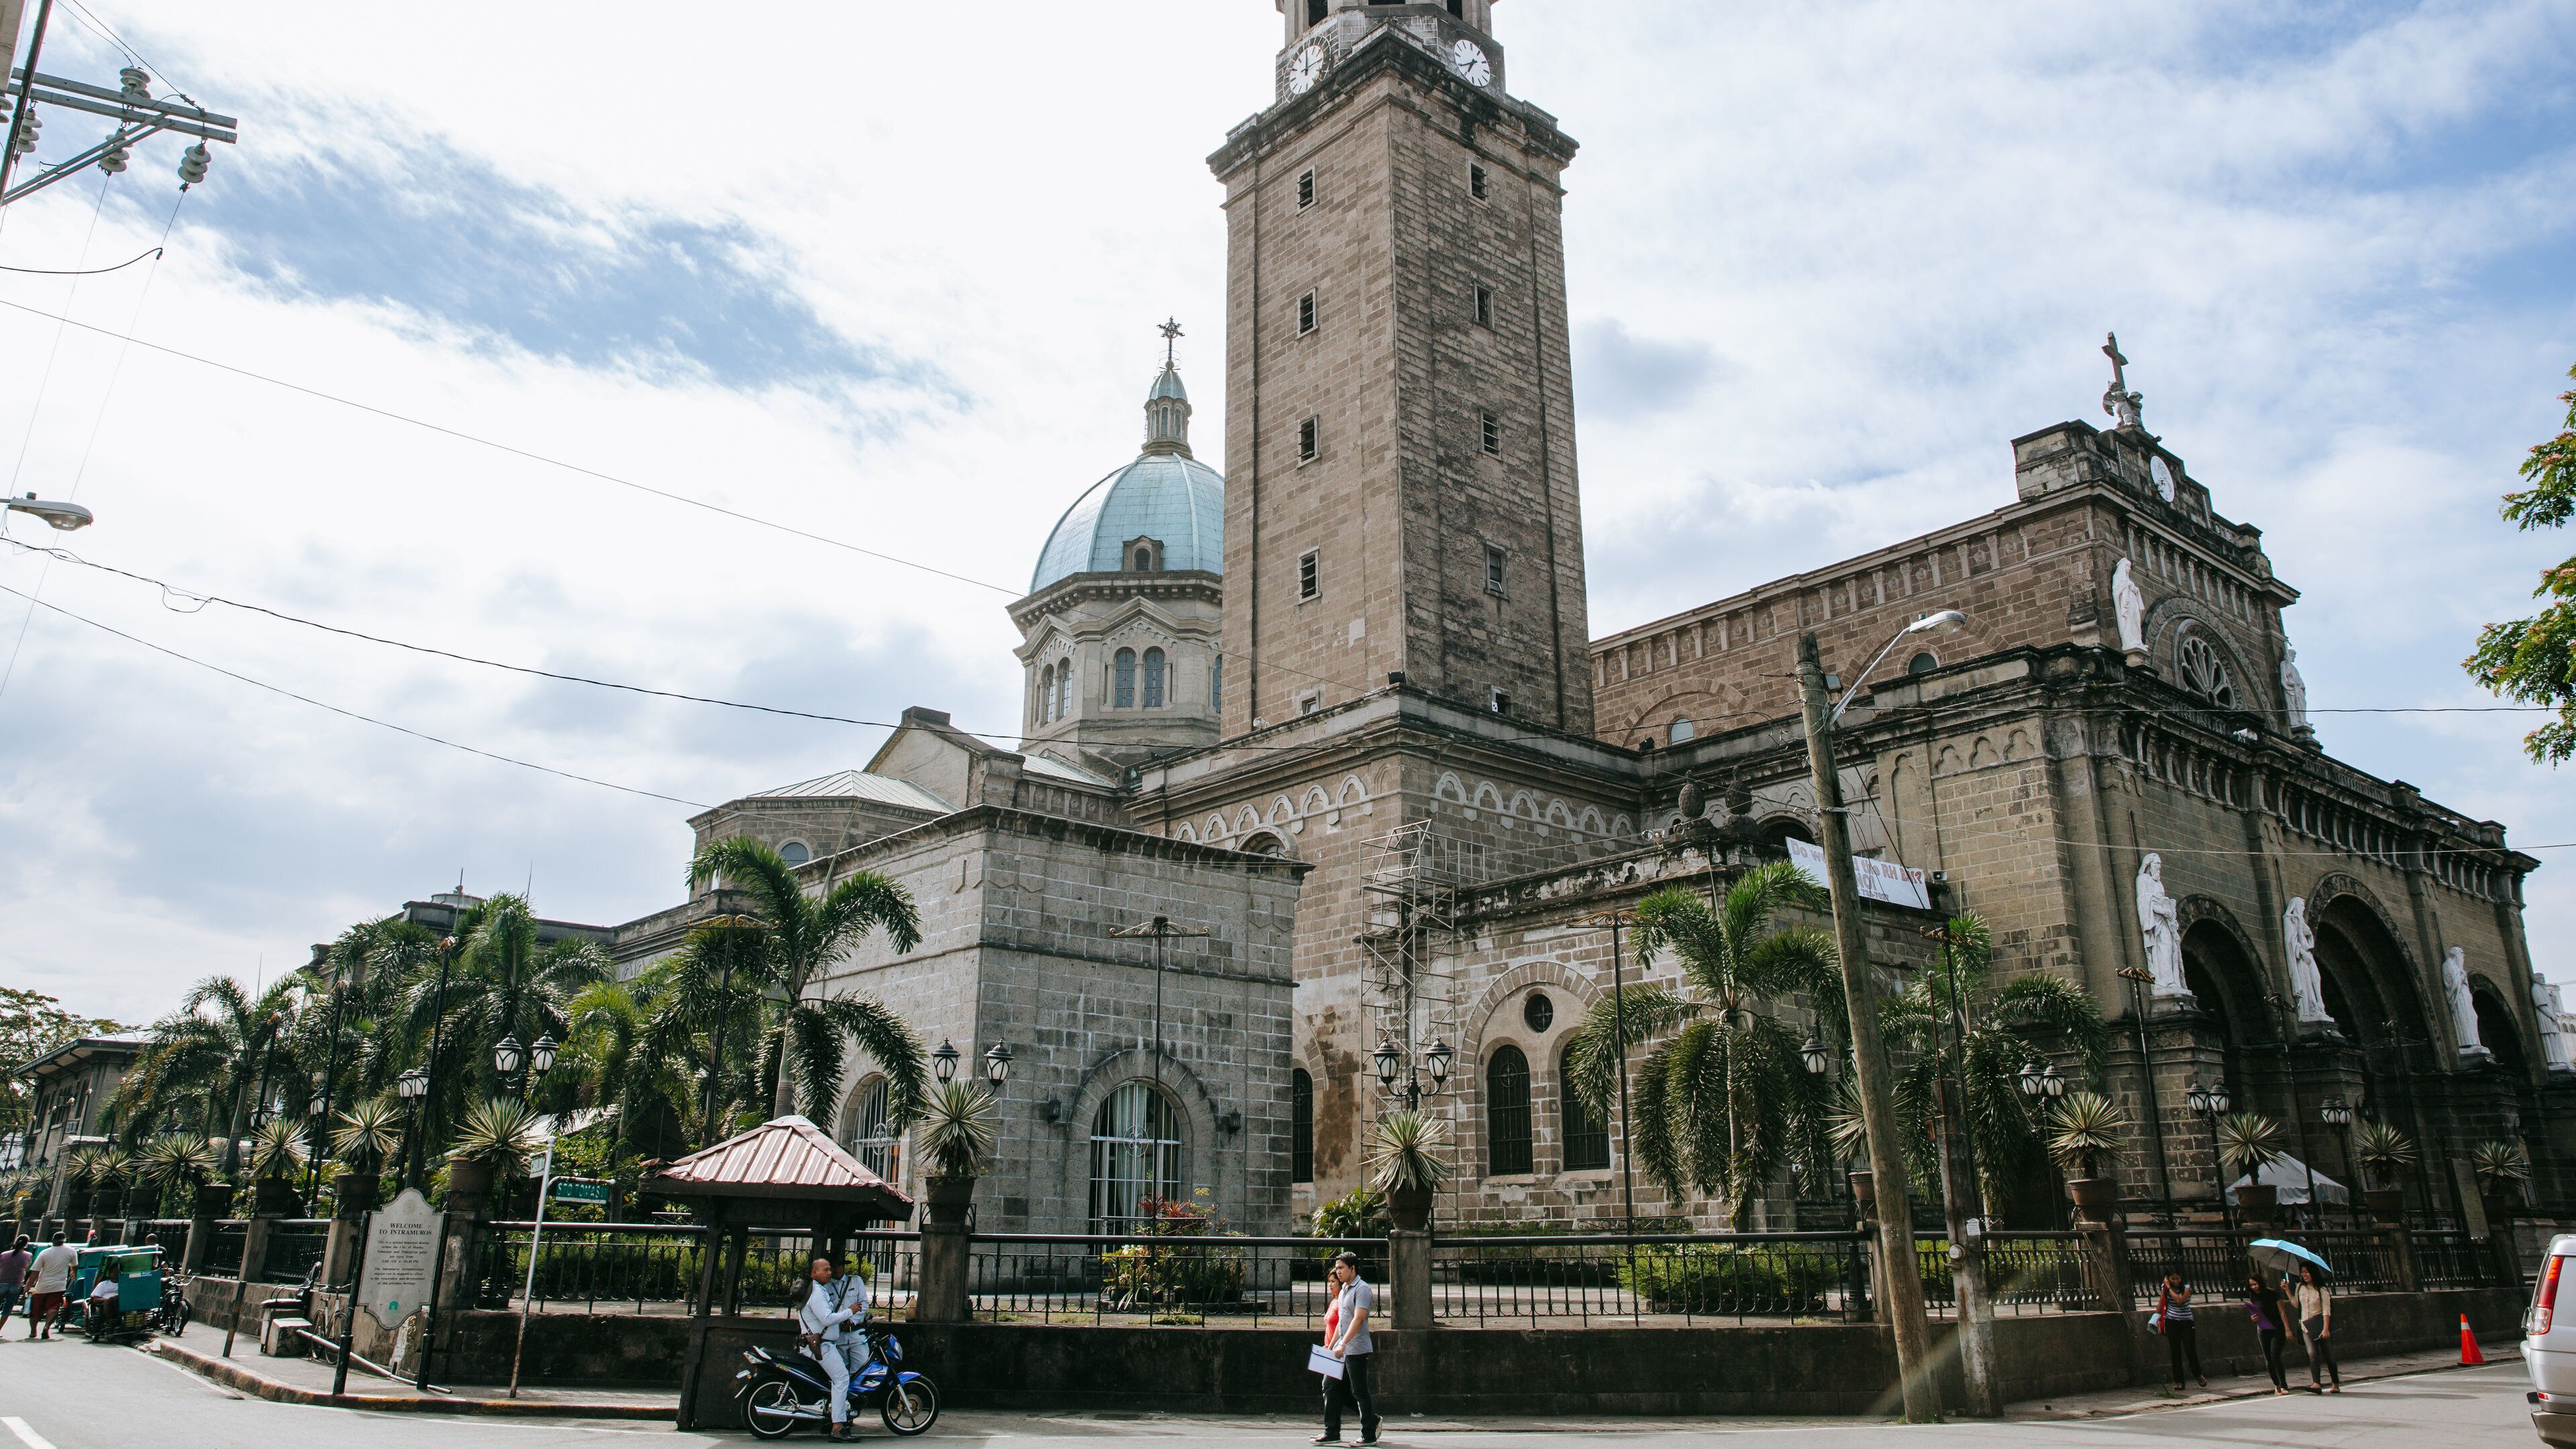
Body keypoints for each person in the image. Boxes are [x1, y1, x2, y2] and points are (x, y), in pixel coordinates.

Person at [795, 1254, 870, 1440]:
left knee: (839, 1379)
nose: (830, 1272)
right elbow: (827, 1319)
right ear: (814, 1273)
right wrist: (849, 1312)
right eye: (826, 1270)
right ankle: (838, 1427)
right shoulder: (818, 1292)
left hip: (827, 1343)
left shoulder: (817, 1289)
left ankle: (835, 1417)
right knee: (842, 1378)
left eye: (831, 1269)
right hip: (822, 1346)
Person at [1318, 1250, 1379, 1445]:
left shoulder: (1362, 1289)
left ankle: (1369, 1433)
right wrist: (1331, 1345)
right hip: (1340, 1349)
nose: (1339, 1272)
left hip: (1356, 1349)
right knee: (1329, 1386)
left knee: (1359, 1391)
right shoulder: (1343, 1290)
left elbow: (1358, 1319)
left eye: (1342, 1268)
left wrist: (1343, 1344)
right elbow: (1341, 1324)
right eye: (1337, 1268)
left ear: (1353, 1268)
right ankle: (1331, 1432)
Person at [2156, 1271, 2206, 1391]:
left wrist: (2169, 1287)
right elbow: (2161, 1303)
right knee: (2175, 1352)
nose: (2176, 1281)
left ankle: (2198, 1374)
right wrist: (2156, 1316)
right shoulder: (2165, 1288)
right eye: (2173, 1279)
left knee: (2190, 1350)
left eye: (2178, 1278)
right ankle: (2179, 1381)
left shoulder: (2186, 1288)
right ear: (2168, 1279)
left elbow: (2179, 1300)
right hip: (2171, 1322)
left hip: (2186, 1322)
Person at [2244, 1271, 2292, 1395]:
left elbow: (2282, 1313)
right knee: (2268, 1359)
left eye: (2255, 1284)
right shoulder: (2253, 1296)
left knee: (2275, 1356)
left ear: (2260, 1282)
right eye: (2251, 1285)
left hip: (2277, 1328)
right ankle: (2276, 1385)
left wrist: (2287, 1330)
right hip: (2263, 1329)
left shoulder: (2274, 1294)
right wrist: (2253, 1318)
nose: (2254, 1287)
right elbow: (2256, 1312)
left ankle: (2284, 1385)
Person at [2294, 1265, 2338, 1393]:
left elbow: (2326, 1310)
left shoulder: (2321, 1290)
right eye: (2302, 1272)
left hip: (2320, 1326)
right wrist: (2287, 1291)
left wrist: (2325, 1329)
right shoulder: (2299, 1288)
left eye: (2307, 1272)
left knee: (2328, 1355)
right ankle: (2316, 1384)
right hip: (2306, 1327)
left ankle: (2335, 1384)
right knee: (2312, 1354)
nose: (2304, 1275)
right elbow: (2296, 1304)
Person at [26, 1232, 76, 1342]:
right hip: (59, 1285)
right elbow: (75, 1266)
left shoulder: (45, 1253)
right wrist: (73, 1272)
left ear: (53, 1240)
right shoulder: (71, 1252)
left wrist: (29, 1285)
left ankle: (33, 1331)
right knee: (53, 1307)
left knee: (36, 1309)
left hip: (42, 1286)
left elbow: (35, 1271)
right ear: (64, 1240)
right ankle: (47, 1327)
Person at [0, 1235, 32, 1336]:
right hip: (16, 1284)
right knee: (8, 1308)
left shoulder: (4, 1254)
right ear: (26, 1244)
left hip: (2, 1282)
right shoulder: (28, 1255)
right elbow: (26, 1268)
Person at [83, 1263, 123, 1336]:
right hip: (104, 1303)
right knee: (109, 1300)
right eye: (113, 1271)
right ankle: (110, 1322)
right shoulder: (103, 1284)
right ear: (110, 1273)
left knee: (113, 1300)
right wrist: (107, 1300)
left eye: (117, 1271)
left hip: (119, 1302)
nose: (115, 1273)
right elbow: (95, 1299)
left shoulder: (123, 1284)